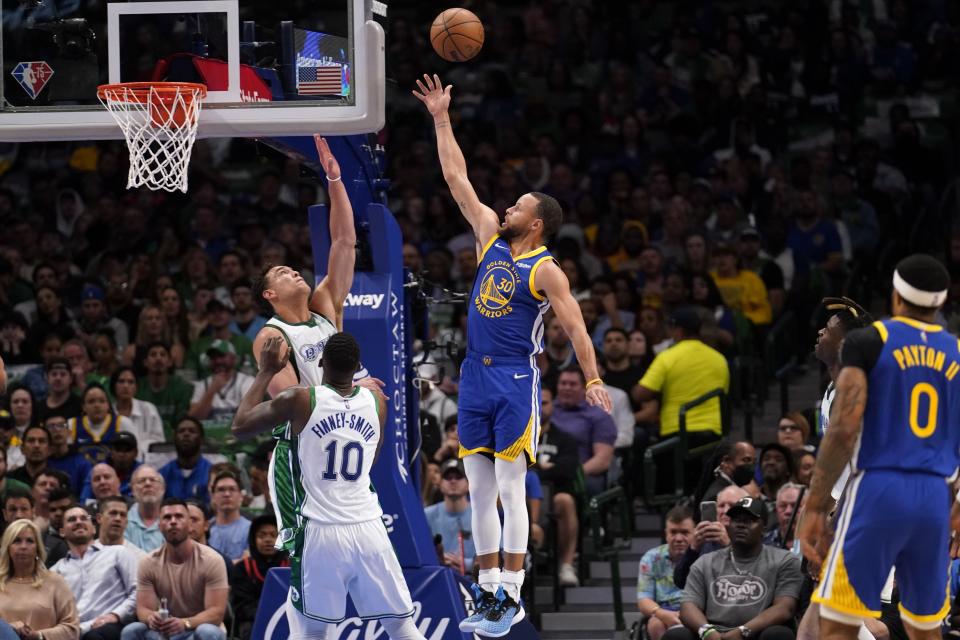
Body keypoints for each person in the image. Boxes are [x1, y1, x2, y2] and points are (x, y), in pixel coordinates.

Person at [415, 73, 611, 634]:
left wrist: (591, 377)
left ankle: (512, 593)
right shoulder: (489, 240)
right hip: (474, 378)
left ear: (538, 221)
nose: (507, 206)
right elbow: (457, 178)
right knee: (476, 486)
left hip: (515, 380)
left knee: (507, 487)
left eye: (518, 204)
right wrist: (440, 117)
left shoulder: (545, 268)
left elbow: (574, 327)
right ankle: (487, 590)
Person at [800, 254, 959, 638]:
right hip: (934, 496)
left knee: (833, 626)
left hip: (879, 489)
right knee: (924, 629)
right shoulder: (955, 352)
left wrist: (817, 506)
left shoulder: (870, 342)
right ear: (940, 301)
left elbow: (843, 430)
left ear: (896, 298)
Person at [232, 332, 428, 640]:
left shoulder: (300, 399)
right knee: (402, 627)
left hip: (321, 531)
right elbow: (370, 460)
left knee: (313, 632)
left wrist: (267, 371)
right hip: (368, 527)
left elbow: (240, 426)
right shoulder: (376, 400)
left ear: (321, 363)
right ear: (358, 366)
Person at [248, 136, 373, 559]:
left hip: (343, 439)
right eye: (281, 273)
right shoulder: (272, 336)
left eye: (292, 267)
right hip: (301, 454)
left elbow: (343, 242)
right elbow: (291, 403)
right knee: (307, 556)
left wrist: (334, 179)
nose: (293, 271)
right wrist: (356, 389)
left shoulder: (324, 306)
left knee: (355, 548)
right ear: (269, 295)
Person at [670, 496, 802, 640]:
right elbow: (688, 607)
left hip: (756, 633)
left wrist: (743, 631)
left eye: (748, 521)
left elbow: (784, 608)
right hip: (714, 633)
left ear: (764, 527)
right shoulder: (705, 562)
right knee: (676, 635)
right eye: (736, 520)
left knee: (778, 634)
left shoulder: (784, 560)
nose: (740, 525)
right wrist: (707, 632)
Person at [636, 307, 730, 492]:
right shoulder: (719, 359)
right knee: (705, 492)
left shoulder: (668, 357)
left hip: (677, 435)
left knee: (675, 492)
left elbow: (641, 393)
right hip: (713, 434)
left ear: (677, 330)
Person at [121, 499, 228, 640]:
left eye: (179, 516)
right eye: (167, 517)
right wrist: (151, 618)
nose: (173, 521)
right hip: (166, 631)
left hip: (196, 629)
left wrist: (185, 623)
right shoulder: (148, 562)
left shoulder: (212, 560)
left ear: (189, 523)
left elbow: (216, 613)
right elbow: (143, 610)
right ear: (159, 525)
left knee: (207, 632)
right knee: (132, 630)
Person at [52, 504, 138, 640]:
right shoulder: (55, 571)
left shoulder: (117, 553)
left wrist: (115, 615)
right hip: (72, 631)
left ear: (93, 528)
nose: (79, 522)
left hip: (110, 626)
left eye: (84, 518)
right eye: (72, 519)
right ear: (62, 532)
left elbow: (137, 592)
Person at [534, 387, 583, 588]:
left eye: (544, 402)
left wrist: (533, 468)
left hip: (552, 498)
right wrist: (544, 467)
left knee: (565, 500)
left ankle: (566, 565)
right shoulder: (516, 437)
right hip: (522, 498)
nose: (539, 407)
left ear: (552, 406)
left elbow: (568, 470)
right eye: (535, 402)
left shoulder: (565, 439)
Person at [0, 518, 80, 640]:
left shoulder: (55, 582)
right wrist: (9, 629)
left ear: (38, 548)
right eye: (16, 541)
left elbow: (72, 629)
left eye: (30, 541)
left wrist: (39, 635)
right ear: (8, 548)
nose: (23, 546)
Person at [551, 366, 618, 495]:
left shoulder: (599, 416)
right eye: (563, 383)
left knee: (590, 486)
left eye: (573, 384)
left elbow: (602, 460)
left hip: (581, 474)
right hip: (544, 471)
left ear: (584, 388)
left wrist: (573, 474)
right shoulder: (546, 410)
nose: (567, 388)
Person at [637, 505, 696, 640]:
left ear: (695, 532)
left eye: (685, 532)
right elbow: (644, 600)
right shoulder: (651, 558)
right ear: (666, 534)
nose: (679, 538)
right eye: (673, 532)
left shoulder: (703, 555)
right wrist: (662, 614)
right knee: (655, 624)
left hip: (696, 611)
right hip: (664, 611)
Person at [228, 514, 289, 640]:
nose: (268, 540)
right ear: (253, 540)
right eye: (262, 535)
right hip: (253, 622)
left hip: (289, 618)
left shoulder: (293, 567)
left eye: (274, 535)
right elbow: (241, 606)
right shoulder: (242, 568)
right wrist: (269, 614)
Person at [424, 458, 475, 575]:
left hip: (474, 581)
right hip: (439, 578)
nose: (453, 481)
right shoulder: (426, 515)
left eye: (458, 477)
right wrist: (438, 561)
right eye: (448, 477)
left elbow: (501, 554)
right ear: (440, 483)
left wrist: (467, 564)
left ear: (468, 483)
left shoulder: (481, 515)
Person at [135, 343, 194, 439]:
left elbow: (182, 422)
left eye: (163, 355)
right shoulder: (136, 387)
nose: (158, 358)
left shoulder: (182, 387)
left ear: (170, 362)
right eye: (153, 355)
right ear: (145, 362)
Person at [68, 384, 134, 465]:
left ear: (108, 405)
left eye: (102, 401)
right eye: (91, 401)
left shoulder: (123, 423)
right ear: (83, 407)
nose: (97, 405)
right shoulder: (71, 424)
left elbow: (135, 456)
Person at [111, 367, 164, 459]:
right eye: (121, 381)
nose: (126, 386)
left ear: (136, 387)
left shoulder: (148, 409)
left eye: (131, 382)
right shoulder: (108, 412)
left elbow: (159, 445)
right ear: (113, 386)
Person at [158, 418, 213, 504]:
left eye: (192, 431)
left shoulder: (212, 473)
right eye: (181, 431)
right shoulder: (162, 475)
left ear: (201, 439)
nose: (186, 434)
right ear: (174, 439)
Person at [207, 471, 251, 562]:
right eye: (221, 490)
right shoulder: (205, 528)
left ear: (241, 496)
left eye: (232, 489)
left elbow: (248, 561)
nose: (227, 494)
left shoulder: (251, 529)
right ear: (213, 496)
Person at [125, 465, 165, 553]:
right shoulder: (123, 521)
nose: (148, 484)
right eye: (141, 481)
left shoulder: (172, 522)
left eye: (153, 480)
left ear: (163, 488)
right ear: (132, 490)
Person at [763, 483, 802, 549]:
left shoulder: (819, 545)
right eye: (783, 506)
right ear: (776, 509)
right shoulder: (763, 544)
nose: (788, 511)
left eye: (795, 506)